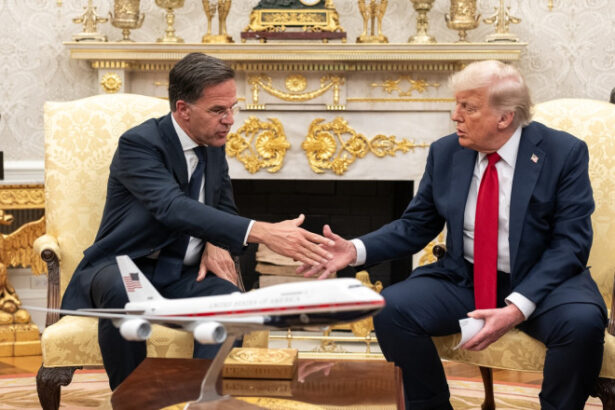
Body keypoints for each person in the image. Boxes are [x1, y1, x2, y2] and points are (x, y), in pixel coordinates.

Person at [300, 60, 607, 410]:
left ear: (504, 117)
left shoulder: (563, 153)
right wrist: (354, 250)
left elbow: (570, 244)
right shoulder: (447, 152)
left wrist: (516, 308)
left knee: (582, 324)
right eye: (456, 104)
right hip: (467, 278)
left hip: (545, 282)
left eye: (468, 107)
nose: (454, 115)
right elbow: (416, 225)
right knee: (392, 309)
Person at [61, 52, 334, 390]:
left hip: (182, 274)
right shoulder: (139, 144)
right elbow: (171, 207)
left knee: (231, 304)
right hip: (124, 266)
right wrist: (262, 232)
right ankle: (133, 398)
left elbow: (224, 210)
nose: (229, 120)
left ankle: (201, 397)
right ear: (183, 109)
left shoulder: (213, 144)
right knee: (125, 293)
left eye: (233, 108)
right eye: (218, 110)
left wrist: (215, 241)